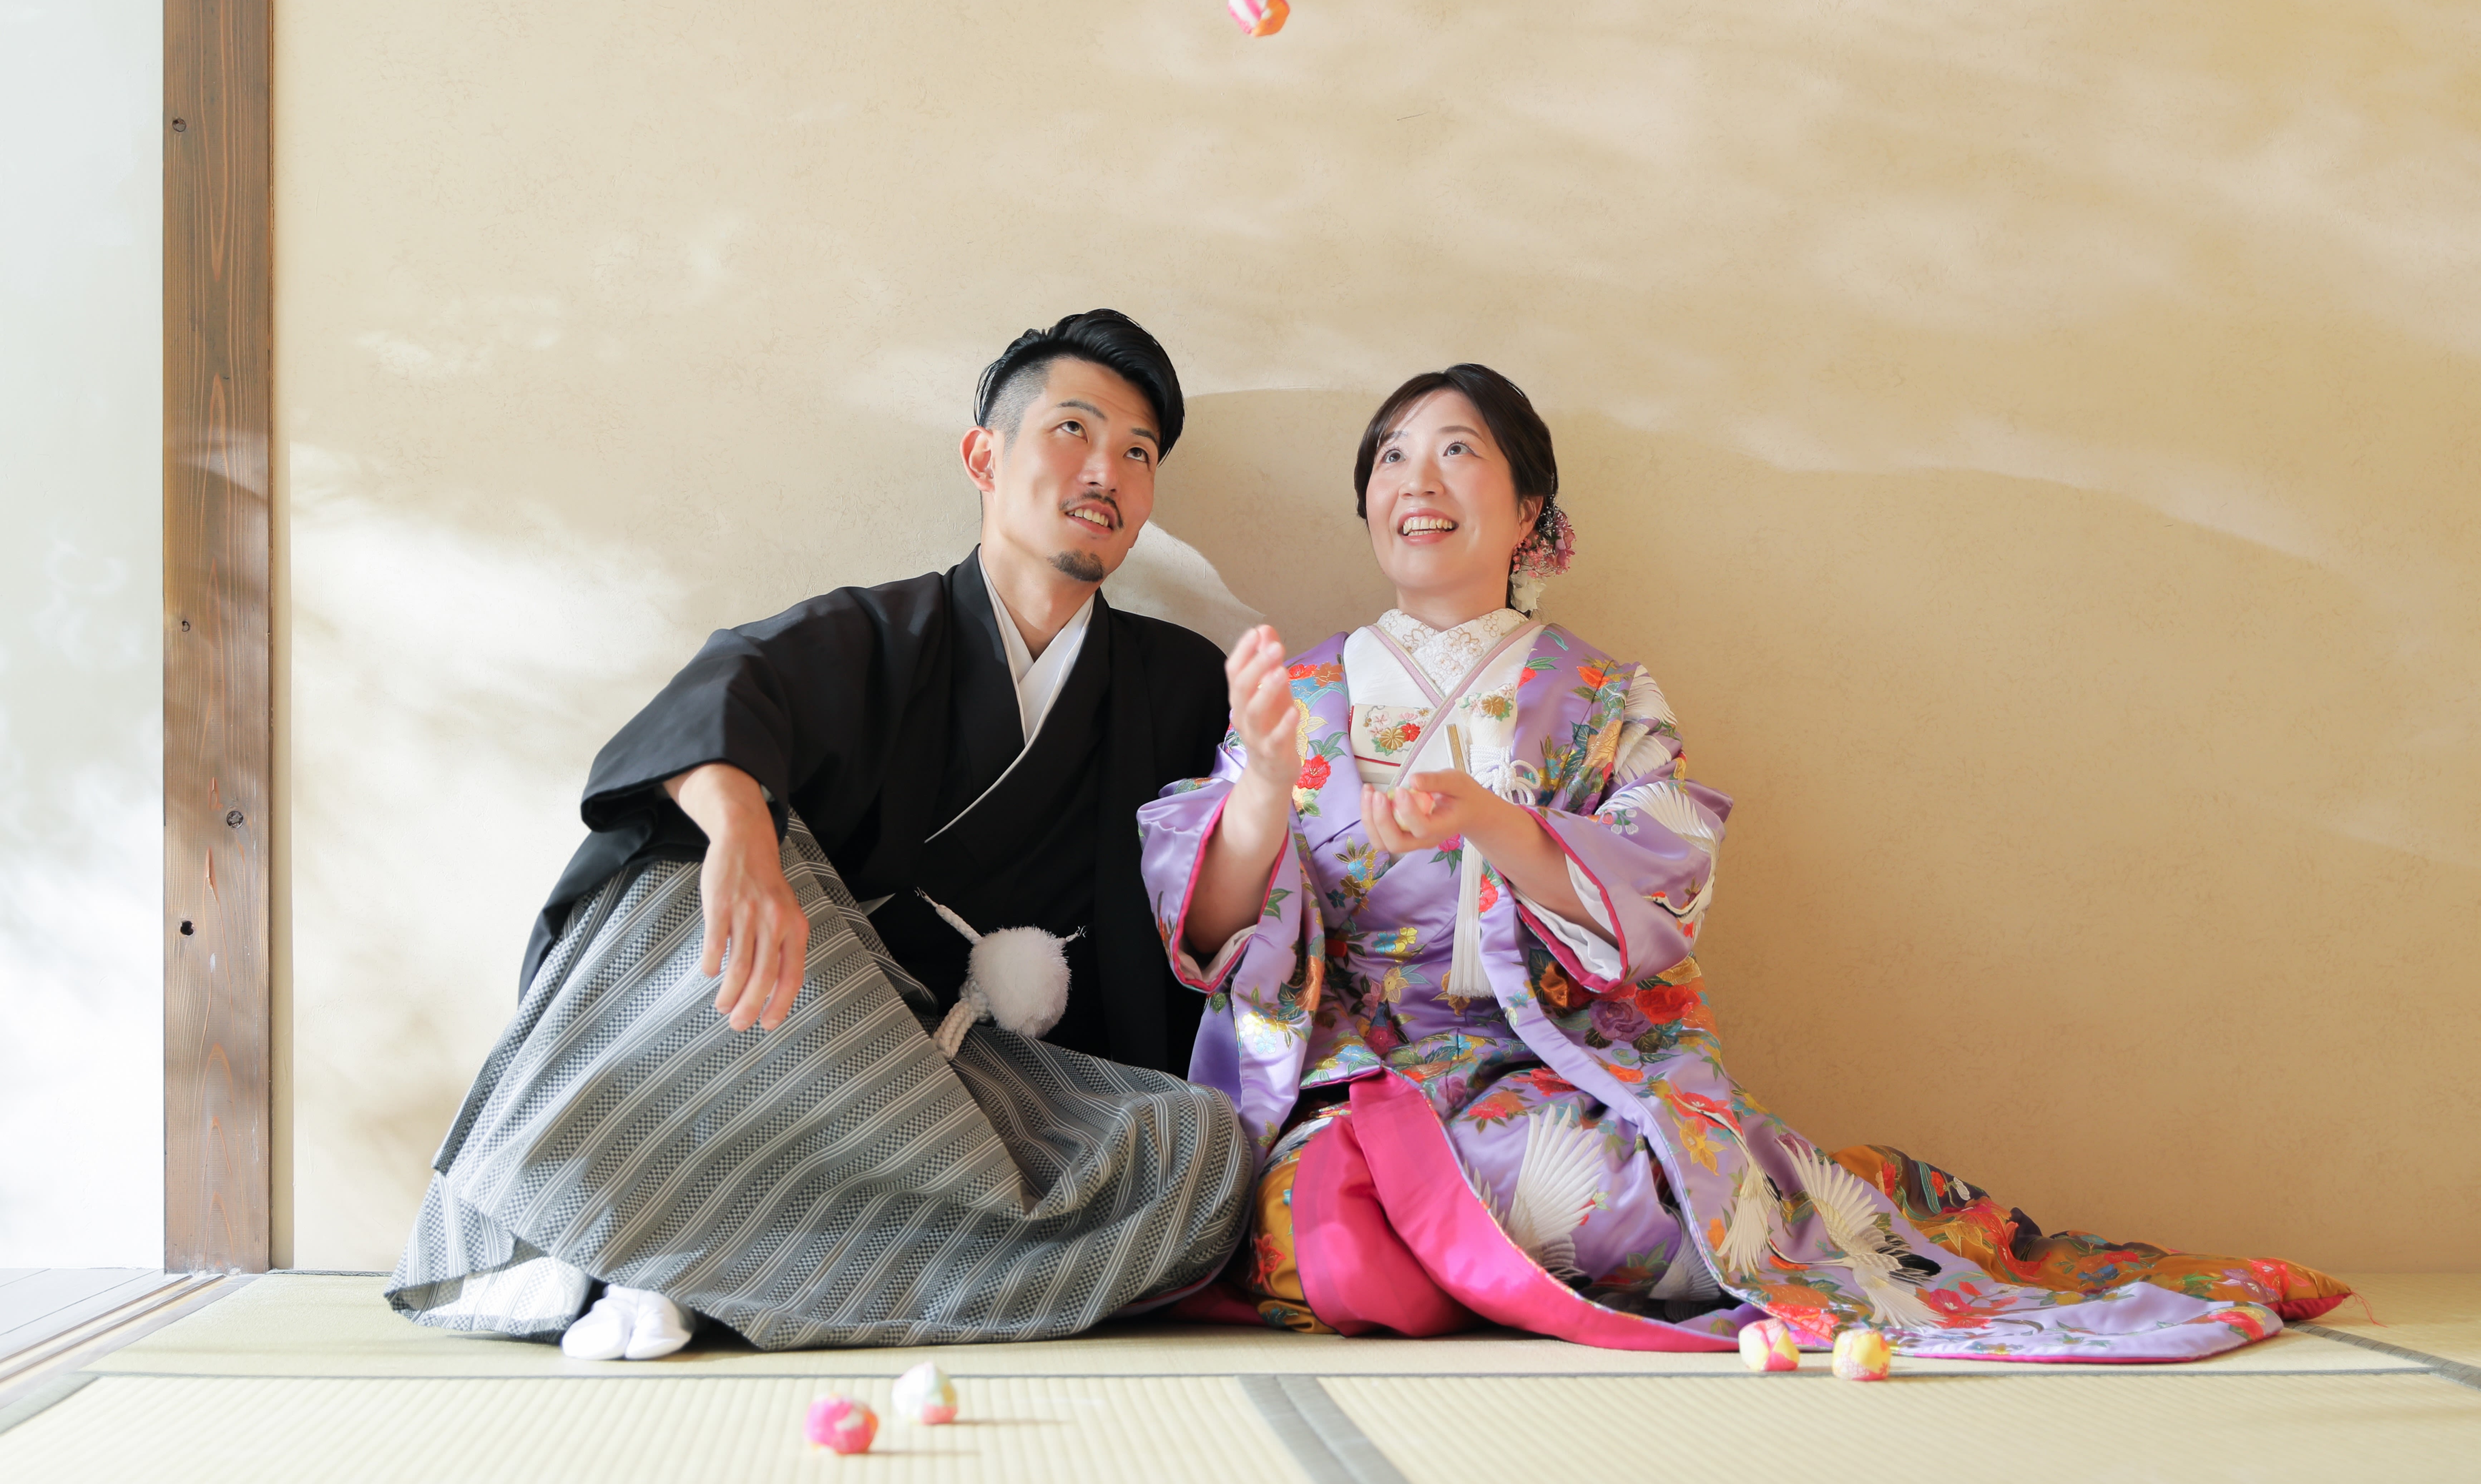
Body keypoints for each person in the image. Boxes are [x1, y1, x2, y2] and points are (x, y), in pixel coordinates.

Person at [1141, 364, 2348, 1361]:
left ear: (1527, 510)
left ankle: (1530, 1236)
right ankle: (1446, 1241)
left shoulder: (1601, 693)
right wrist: (1263, 784)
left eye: (1457, 451)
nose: (1416, 479)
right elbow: (1213, 930)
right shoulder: (1302, 689)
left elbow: (1666, 879)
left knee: (1598, 1199)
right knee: (1313, 1242)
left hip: (1552, 1064)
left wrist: (1493, 823)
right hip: (1361, 1073)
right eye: (1391, 456)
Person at [388, 311, 1252, 1357]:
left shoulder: (1180, 681)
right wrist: (743, 838)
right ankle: (641, 1249)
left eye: (1139, 452)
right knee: (676, 871)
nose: (1106, 470)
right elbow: (724, 693)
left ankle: (689, 1266)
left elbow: (1206, 916)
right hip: (806, 1043)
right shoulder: (878, 635)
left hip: (997, 1093)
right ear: (985, 457)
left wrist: (1273, 777)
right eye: (1073, 429)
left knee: (1199, 1147)